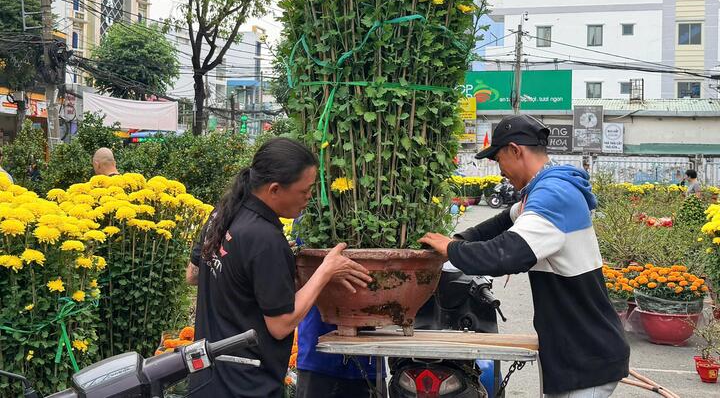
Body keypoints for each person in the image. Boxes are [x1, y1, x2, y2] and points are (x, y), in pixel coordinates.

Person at [420, 115, 629, 398]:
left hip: (585, 355)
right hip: (575, 348)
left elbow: (506, 255)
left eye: (499, 160)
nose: (500, 171)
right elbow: (503, 220)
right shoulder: (542, 189)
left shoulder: (554, 195)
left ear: (515, 150)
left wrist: (451, 250)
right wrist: (460, 239)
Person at [187, 137, 372, 398]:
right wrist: (325, 271)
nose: (309, 197)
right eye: (304, 191)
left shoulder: (224, 213)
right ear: (274, 189)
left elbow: (194, 274)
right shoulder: (265, 239)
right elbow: (281, 325)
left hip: (208, 380)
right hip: (246, 386)